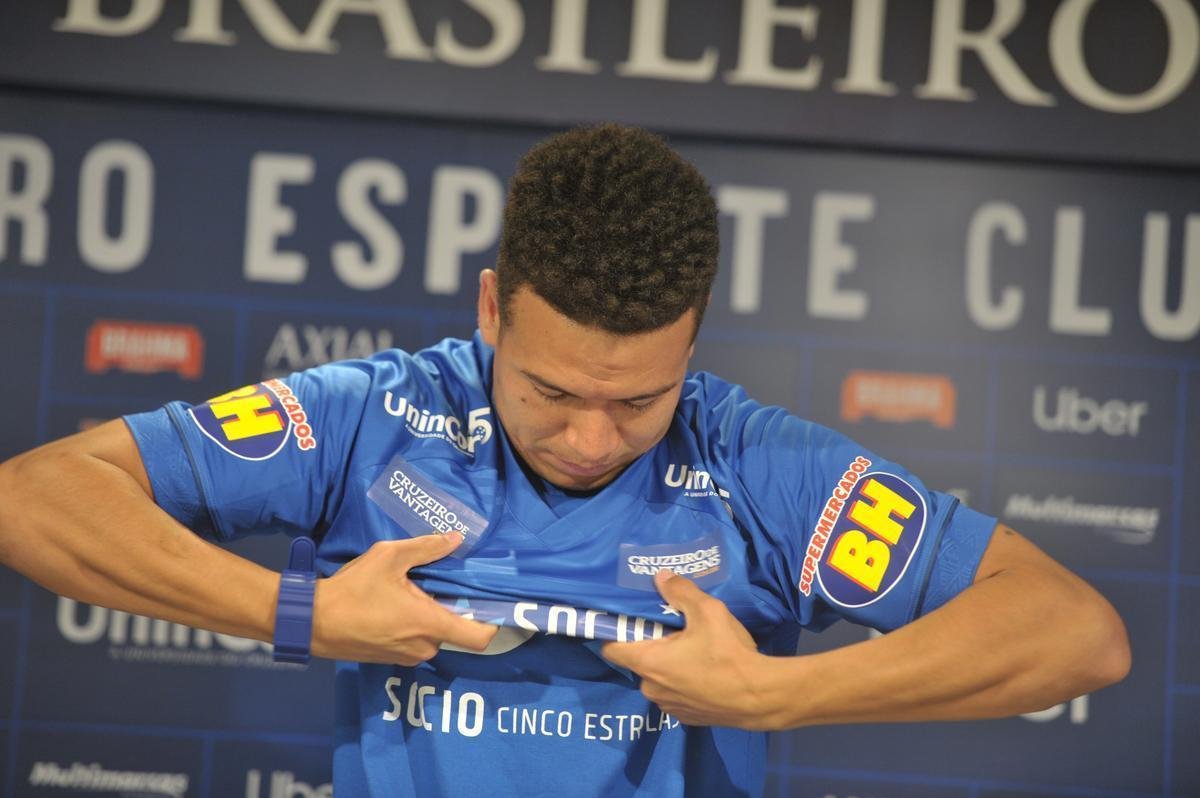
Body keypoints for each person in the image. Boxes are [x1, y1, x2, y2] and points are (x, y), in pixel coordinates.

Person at [0, 124, 1129, 797]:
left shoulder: (761, 466)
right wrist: (301, 613)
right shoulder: (373, 417)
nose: (591, 440)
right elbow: (34, 497)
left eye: (639, 400)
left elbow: (1075, 631)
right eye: (550, 392)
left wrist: (778, 694)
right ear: (492, 309)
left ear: (694, 339)